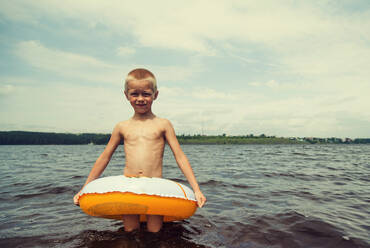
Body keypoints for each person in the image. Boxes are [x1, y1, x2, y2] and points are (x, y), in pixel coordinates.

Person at [73, 68, 206, 233]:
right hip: (129, 186)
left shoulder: (163, 124)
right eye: (135, 94)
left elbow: (180, 157)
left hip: (155, 187)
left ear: (155, 95)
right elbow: (104, 157)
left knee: (155, 231)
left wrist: (196, 189)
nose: (141, 99)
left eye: (146, 94)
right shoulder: (122, 127)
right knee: (130, 231)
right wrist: (84, 188)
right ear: (126, 95)